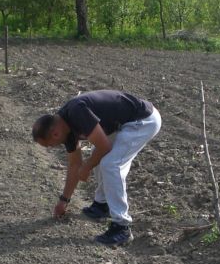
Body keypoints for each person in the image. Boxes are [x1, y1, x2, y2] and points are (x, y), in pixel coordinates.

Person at [32, 90, 161, 245]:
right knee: (98, 156)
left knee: (110, 164)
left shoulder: (77, 112)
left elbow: (104, 147)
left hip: (142, 121)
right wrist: (64, 201)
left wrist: (86, 167)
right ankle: (102, 205)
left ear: (54, 134)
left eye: (50, 145)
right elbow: (74, 165)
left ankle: (122, 227)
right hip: (123, 123)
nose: (52, 148)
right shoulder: (64, 128)